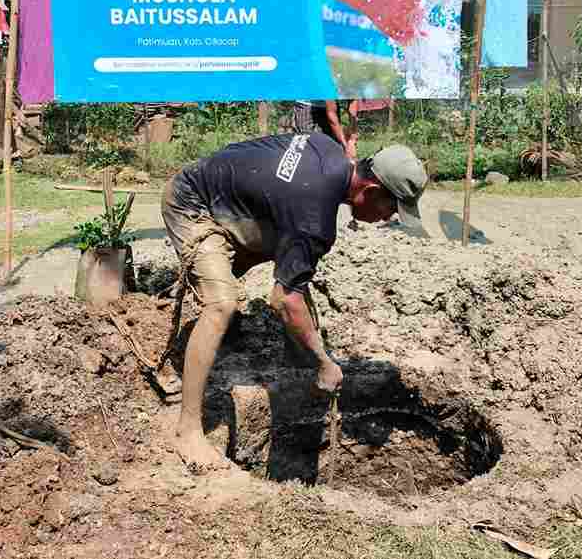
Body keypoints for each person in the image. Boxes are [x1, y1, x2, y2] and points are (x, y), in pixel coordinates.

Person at [161, 133, 427, 469]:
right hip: (192, 203)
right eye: (392, 208)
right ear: (370, 191)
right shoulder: (314, 214)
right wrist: (324, 361)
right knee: (222, 304)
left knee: (294, 260)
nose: (388, 218)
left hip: (226, 194)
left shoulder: (329, 151)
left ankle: (208, 303)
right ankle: (188, 431)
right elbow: (284, 299)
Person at [292, 100, 357, 158]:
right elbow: (331, 114)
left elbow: (353, 108)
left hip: (330, 105)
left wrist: (352, 140)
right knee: (306, 147)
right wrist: (345, 145)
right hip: (306, 105)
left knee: (334, 149)